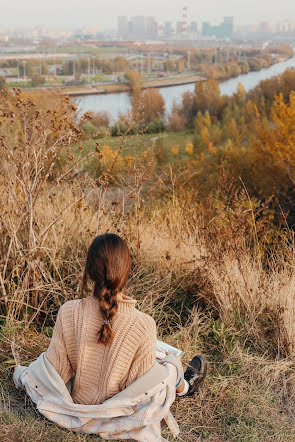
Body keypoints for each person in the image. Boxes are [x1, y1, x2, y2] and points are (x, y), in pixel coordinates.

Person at [14, 233, 207, 439]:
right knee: (169, 364)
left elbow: (57, 374)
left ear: (89, 271)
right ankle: (184, 387)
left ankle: (181, 382)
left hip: (78, 404)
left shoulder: (68, 312)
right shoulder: (144, 324)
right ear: (127, 271)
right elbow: (137, 392)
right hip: (117, 414)